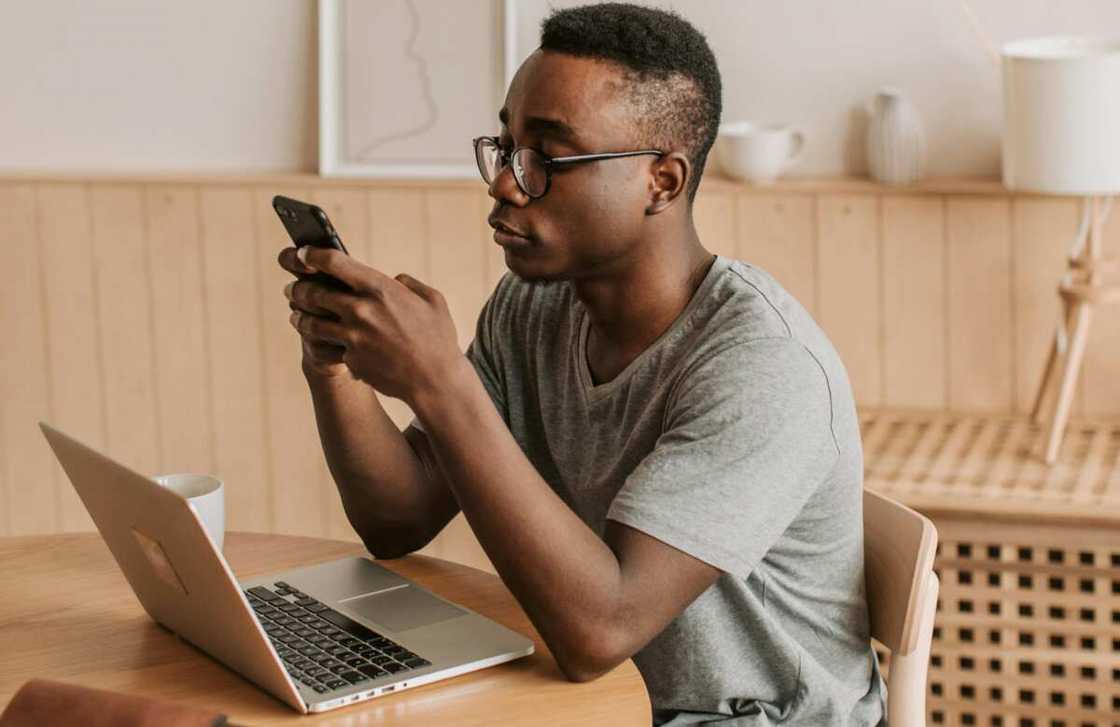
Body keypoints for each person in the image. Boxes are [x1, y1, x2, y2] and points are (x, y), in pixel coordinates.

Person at [277, 3, 885, 724]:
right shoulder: (532, 308)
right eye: (505, 146)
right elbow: (397, 517)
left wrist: (440, 381)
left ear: (662, 180)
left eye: (548, 158)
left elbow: (601, 630)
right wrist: (333, 367)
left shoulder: (763, 367)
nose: (505, 183)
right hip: (599, 706)